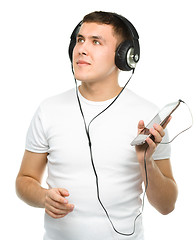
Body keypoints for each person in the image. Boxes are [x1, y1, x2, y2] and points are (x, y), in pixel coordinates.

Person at [16, 11, 178, 240]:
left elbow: (167, 205)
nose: (82, 48)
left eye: (96, 42)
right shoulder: (48, 110)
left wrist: (147, 162)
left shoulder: (148, 117)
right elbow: (24, 180)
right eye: (80, 40)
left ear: (124, 56)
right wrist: (43, 197)